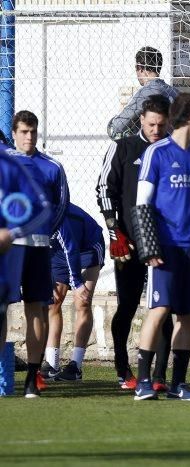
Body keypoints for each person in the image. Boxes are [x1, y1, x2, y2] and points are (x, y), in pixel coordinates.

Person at [131, 93, 190, 401]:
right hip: (165, 248)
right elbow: (142, 203)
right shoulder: (156, 153)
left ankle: (178, 384)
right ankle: (143, 381)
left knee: (187, 316)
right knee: (159, 310)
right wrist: (148, 247)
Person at [96, 95, 174, 391]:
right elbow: (104, 188)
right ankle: (122, 368)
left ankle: (160, 376)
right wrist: (115, 232)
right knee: (128, 305)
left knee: (164, 307)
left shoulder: (172, 149)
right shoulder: (123, 147)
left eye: (161, 125)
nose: (156, 130)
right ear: (141, 119)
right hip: (128, 242)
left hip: (164, 241)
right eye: (152, 124)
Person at [6, 111, 69, 398]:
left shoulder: (52, 167)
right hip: (8, 250)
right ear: (14, 133)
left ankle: (33, 377)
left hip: (39, 248)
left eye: (33, 131)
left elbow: (59, 206)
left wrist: (43, 232)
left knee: (38, 309)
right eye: (23, 131)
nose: (29, 137)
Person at [0, 142, 52, 398]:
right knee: (36, 308)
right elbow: (49, 205)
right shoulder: (28, 161)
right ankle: (32, 380)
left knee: (2, 309)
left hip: (10, 243)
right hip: (40, 241)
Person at [43, 203, 105, 382]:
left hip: (88, 246)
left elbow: (71, 249)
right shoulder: (26, 213)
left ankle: (75, 366)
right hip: (60, 251)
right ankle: (51, 364)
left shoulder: (57, 215)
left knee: (82, 301)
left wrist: (77, 283)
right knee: (53, 302)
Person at [107, 46, 179, 140]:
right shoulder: (175, 92)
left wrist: (112, 124)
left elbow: (118, 126)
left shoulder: (146, 92)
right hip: (174, 146)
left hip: (150, 148)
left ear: (140, 68)